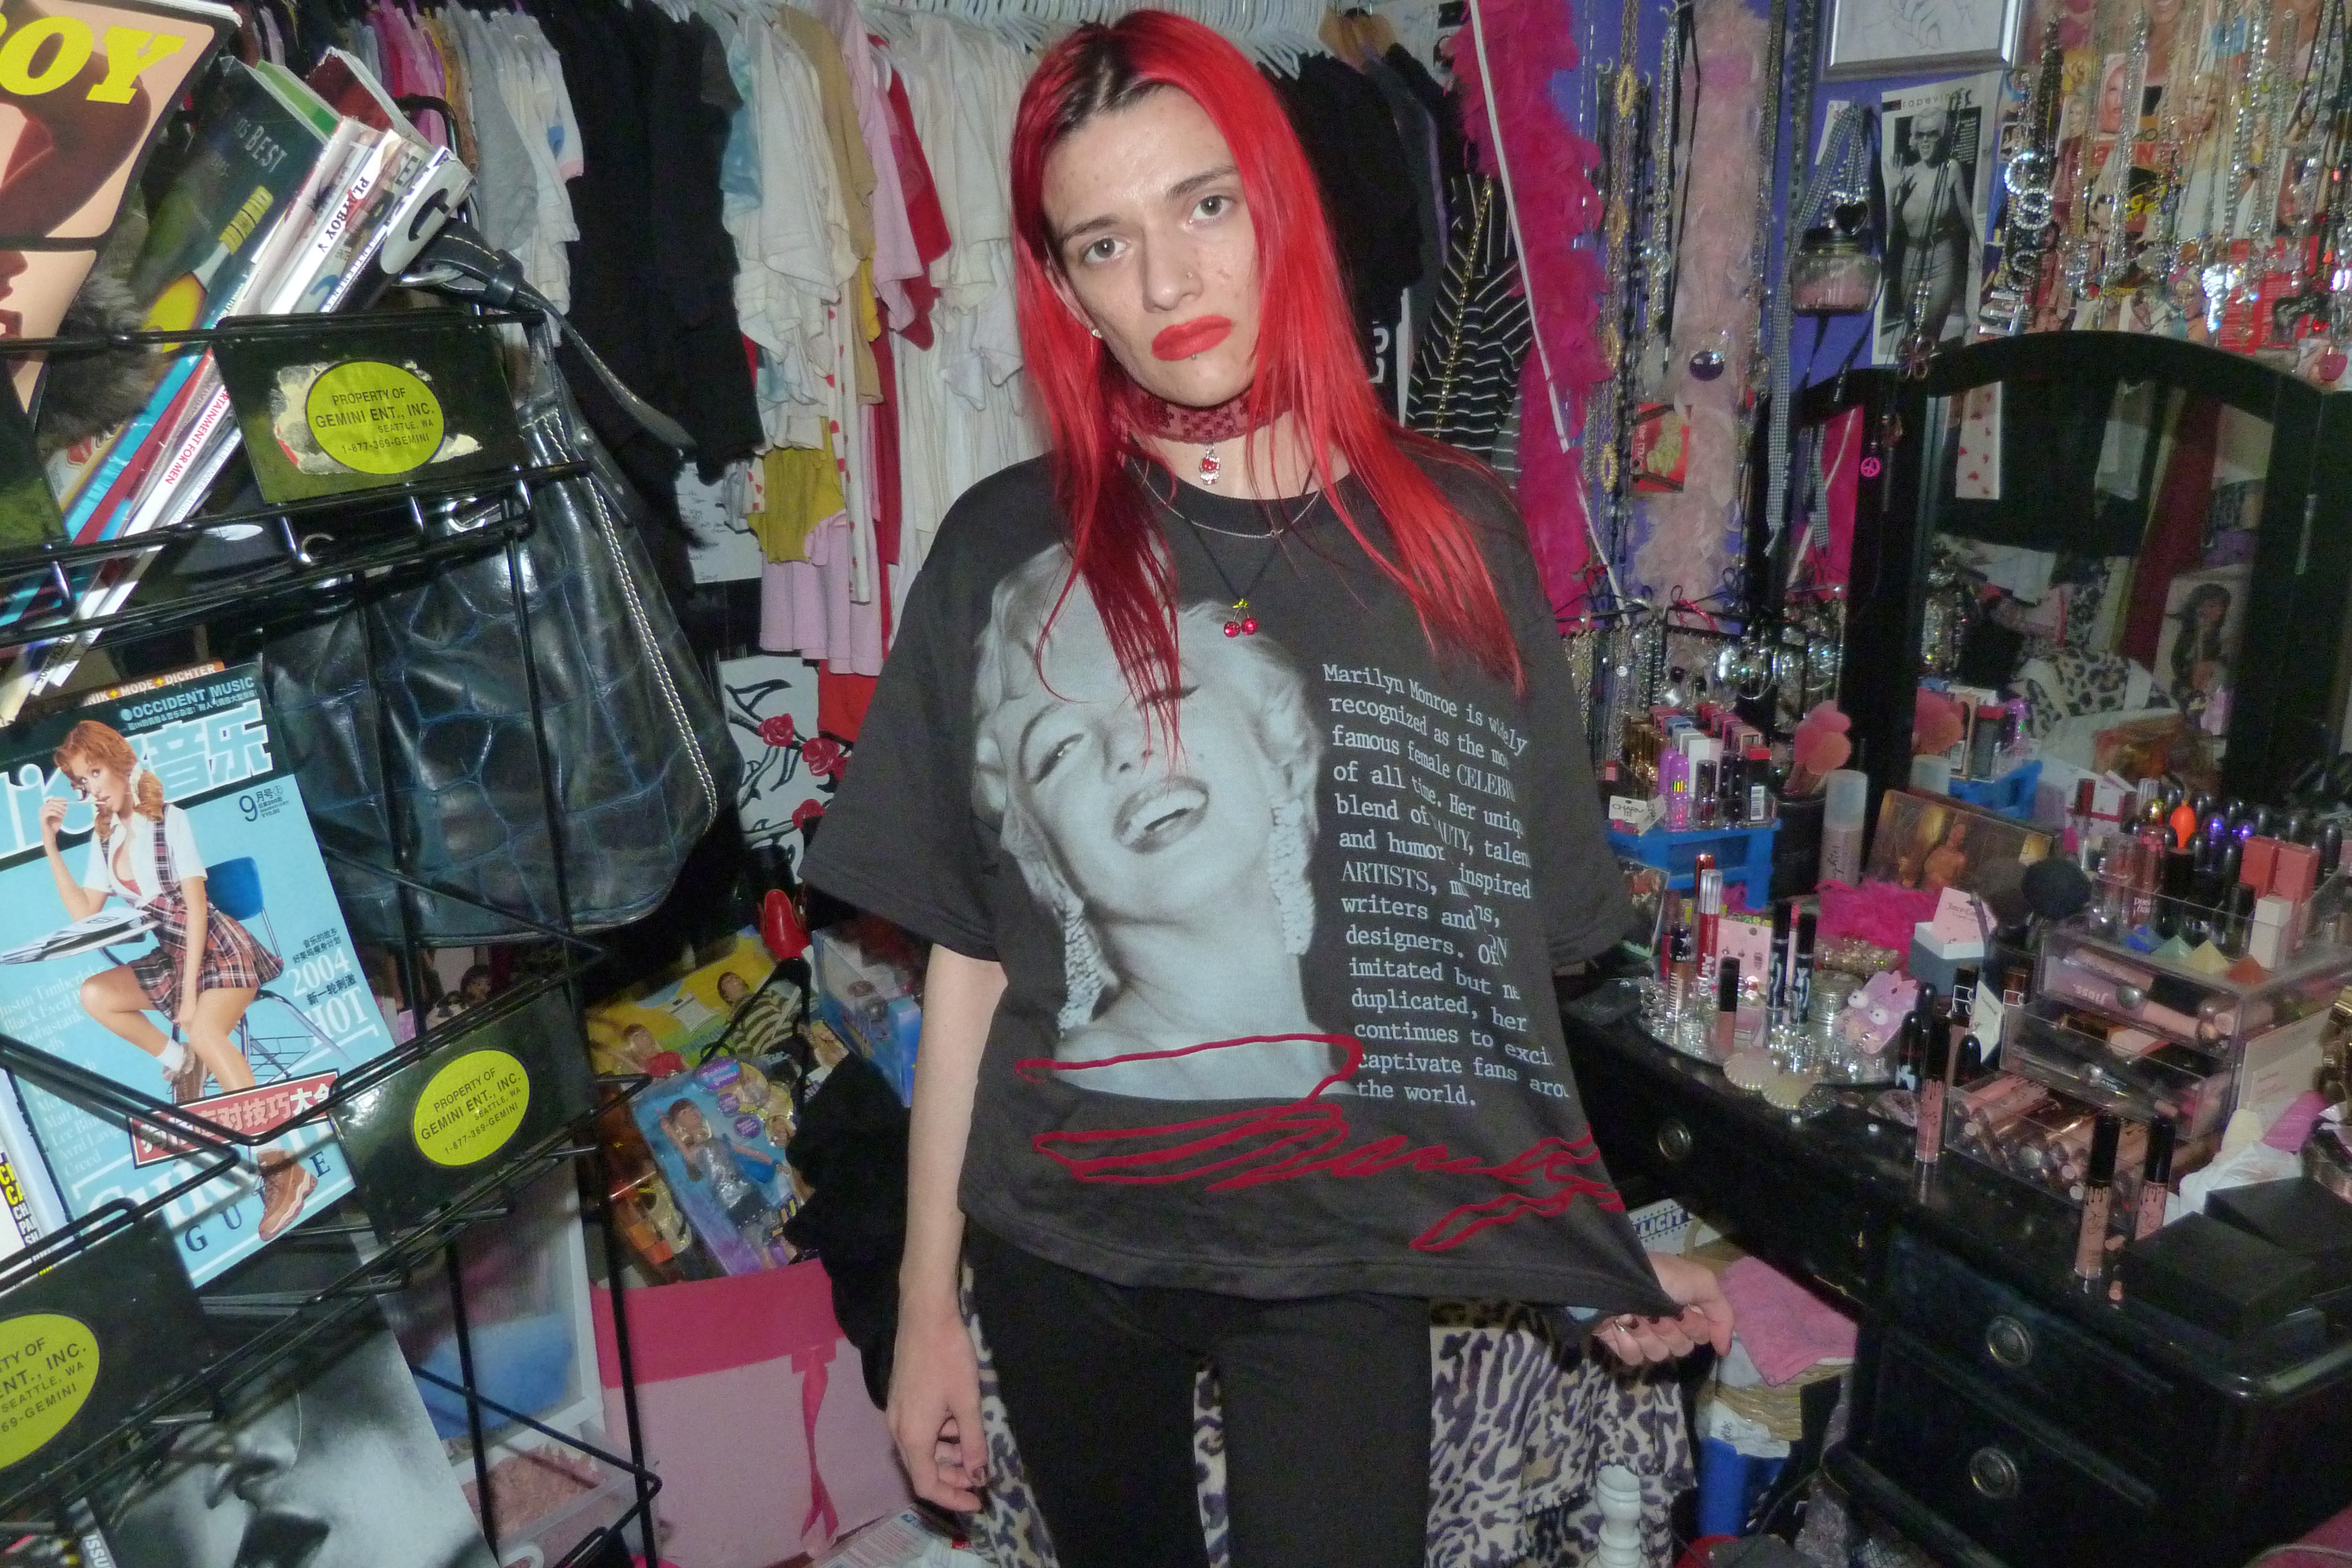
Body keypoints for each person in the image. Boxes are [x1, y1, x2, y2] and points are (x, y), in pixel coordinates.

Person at [803, 16, 1732, 1567]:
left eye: (1204, 205)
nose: (1167, 282)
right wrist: (924, 1310)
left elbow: (1482, 976)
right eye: (1105, 243)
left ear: (1281, 207)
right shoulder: (1002, 551)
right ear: (1065, 289)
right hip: (1063, 1243)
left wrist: (1583, 1260)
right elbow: (970, 950)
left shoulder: (1451, 540)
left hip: (1337, 1259)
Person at [36, 719, 313, 1238]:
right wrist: (51, 845)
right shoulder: (104, 837)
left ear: (119, 763)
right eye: (81, 781)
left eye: (95, 772)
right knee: (95, 994)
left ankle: (281, 1165)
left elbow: (198, 909)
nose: (92, 788)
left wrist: (188, 998)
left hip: (219, 950)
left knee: (206, 1032)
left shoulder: (168, 820)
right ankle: (180, 1060)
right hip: (174, 952)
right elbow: (83, 915)